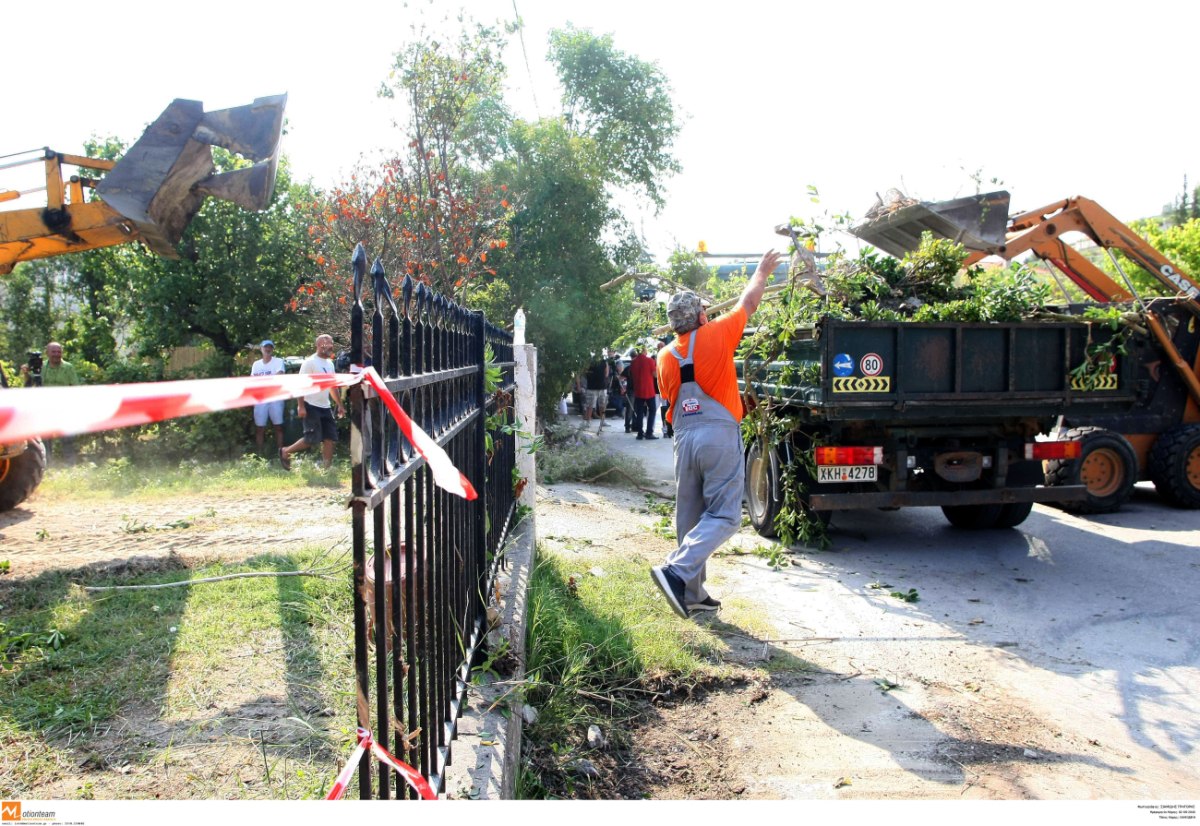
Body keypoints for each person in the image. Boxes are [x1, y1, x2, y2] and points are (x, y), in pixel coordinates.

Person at [650, 250, 782, 618]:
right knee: (725, 516)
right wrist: (761, 271)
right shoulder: (717, 333)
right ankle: (676, 571)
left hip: (684, 439)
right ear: (701, 316)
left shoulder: (663, 357)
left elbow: (676, 397)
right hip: (717, 436)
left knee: (689, 517)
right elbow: (749, 301)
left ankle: (691, 594)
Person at [280, 334, 345, 471]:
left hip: (325, 406)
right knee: (312, 439)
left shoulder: (330, 364)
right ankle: (286, 451)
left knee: (329, 438)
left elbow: (332, 387)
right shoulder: (310, 362)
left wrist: (339, 404)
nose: (330, 346)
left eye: (331, 343)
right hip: (311, 405)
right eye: (327, 344)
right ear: (319, 345)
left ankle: (326, 470)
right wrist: (301, 406)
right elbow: (300, 385)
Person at [28, 341, 81, 463]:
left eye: (59, 351)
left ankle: (70, 465)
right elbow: (30, 385)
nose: (57, 354)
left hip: (64, 408)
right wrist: (26, 373)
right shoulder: (40, 368)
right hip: (45, 408)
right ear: (47, 353)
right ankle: (48, 465)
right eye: (54, 352)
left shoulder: (68, 367)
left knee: (67, 439)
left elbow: (75, 387)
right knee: (46, 439)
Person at [250, 340, 287, 457]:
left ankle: (281, 453)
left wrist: (262, 382)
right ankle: (260, 455)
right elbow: (252, 381)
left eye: (270, 347)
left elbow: (279, 376)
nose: (268, 349)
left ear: (273, 349)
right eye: (265, 347)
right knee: (260, 427)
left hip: (276, 398)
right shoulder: (256, 364)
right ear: (261, 349)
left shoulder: (278, 361)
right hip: (261, 399)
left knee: (278, 426)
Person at [628, 340, 658, 440]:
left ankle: (640, 433)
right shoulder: (650, 361)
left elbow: (632, 376)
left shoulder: (633, 362)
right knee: (652, 410)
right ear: (644, 350)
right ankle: (649, 432)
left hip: (638, 391)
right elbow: (655, 375)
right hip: (649, 390)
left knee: (639, 412)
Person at [582, 353, 609, 430]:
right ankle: (601, 421)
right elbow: (606, 374)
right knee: (600, 405)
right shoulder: (604, 362)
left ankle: (589, 422)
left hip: (593, 386)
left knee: (591, 405)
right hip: (600, 386)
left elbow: (585, 372)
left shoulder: (589, 362)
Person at [606, 348, 626, 428]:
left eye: (611, 352)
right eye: (608, 352)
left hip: (617, 382)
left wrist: (615, 367)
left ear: (614, 352)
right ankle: (619, 410)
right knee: (611, 398)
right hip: (609, 382)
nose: (609, 353)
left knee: (617, 398)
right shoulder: (608, 361)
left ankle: (619, 412)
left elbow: (621, 371)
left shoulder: (618, 361)